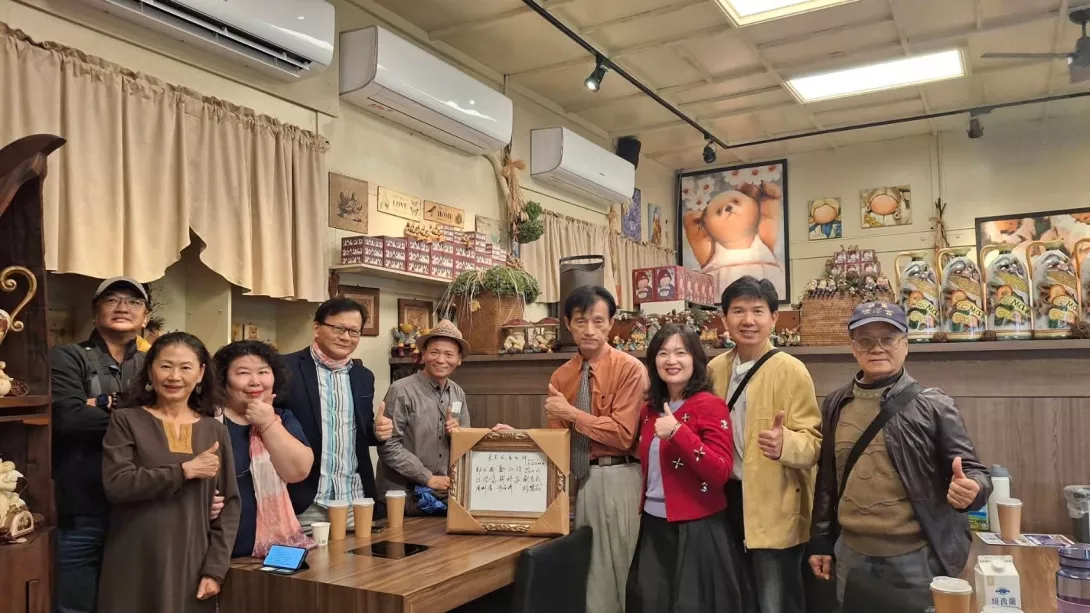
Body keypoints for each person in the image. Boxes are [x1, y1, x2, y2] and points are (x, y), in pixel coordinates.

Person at [808, 302, 992, 605]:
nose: (877, 348)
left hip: (915, 558)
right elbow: (827, 479)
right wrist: (821, 541)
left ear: (905, 344)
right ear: (853, 348)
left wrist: (972, 489)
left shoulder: (934, 405)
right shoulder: (836, 404)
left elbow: (974, 471)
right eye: (865, 340)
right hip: (850, 554)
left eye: (888, 339)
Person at [96, 332, 241, 613]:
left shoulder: (214, 430)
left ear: (200, 374)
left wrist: (215, 569)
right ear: (151, 371)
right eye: (165, 366)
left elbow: (230, 506)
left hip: (192, 560)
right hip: (133, 557)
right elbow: (116, 484)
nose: (175, 376)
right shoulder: (126, 420)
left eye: (185, 367)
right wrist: (183, 471)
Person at [707, 275, 822, 613]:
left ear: (773, 318)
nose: (748, 320)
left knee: (775, 601)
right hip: (726, 501)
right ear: (724, 318)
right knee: (734, 597)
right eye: (738, 311)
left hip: (774, 504)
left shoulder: (791, 370)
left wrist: (786, 443)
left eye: (758, 311)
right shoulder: (714, 369)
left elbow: (813, 444)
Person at [626, 324, 752, 613]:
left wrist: (677, 433)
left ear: (695, 359)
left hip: (698, 529)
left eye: (680, 352)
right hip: (653, 526)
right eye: (663, 353)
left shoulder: (711, 406)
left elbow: (721, 471)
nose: (671, 360)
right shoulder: (650, 410)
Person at [51, 276, 151, 613]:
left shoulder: (156, 364)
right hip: (82, 504)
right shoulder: (67, 356)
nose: (123, 307)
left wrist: (101, 402)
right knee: (74, 604)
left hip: (142, 506)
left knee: (131, 602)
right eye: (112, 300)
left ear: (146, 317)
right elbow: (69, 418)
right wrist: (140, 416)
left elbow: (175, 418)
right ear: (95, 313)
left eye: (133, 302)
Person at [546, 285, 647, 613]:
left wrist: (572, 414)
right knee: (593, 575)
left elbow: (623, 435)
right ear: (568, 324)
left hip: (622, 475)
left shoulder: (629, 369)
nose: (589, 330)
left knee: (627, 571)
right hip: (583, 481)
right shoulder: (561, 376)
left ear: (611, 323)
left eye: (598, 321)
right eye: (581, 321)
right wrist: (517, 438)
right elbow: (557, 442)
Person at [279, 297, 393, 530]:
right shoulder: (284, 369)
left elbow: (360, 432)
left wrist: (377, 432)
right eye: (339, 328)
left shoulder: (363, 376)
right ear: (316, 328)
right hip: (304, 501)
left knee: (360, 555)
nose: (346, 337)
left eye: (354, 331)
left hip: (354, 499)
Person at [212, 341, 314, 558]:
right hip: (215, 551)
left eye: (263, 372)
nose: (255, 381)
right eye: (243, 373)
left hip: (272, 551)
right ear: (223, 379)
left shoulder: (282, 418)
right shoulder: (207, 420)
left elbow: (298, 471)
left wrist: (268, 423)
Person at [376, 320, 470, 516]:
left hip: (441, 496)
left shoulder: (458, 393)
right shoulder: (401, 390)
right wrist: (427, 477)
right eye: (434, 352)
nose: (441, 360)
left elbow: (466, 445)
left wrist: (457, 434)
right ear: (424, 354)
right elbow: (388, 446)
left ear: (459, 360)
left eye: (449, 354)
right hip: (402, 498)